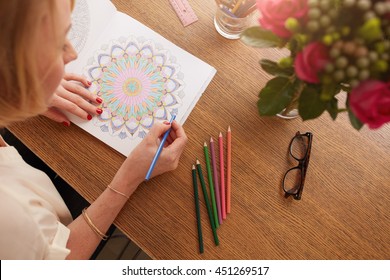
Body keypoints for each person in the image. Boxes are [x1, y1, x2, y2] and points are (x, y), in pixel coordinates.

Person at [0, 0, 187, 259]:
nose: (72, 54)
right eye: (57, 44)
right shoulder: (9, 214)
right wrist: (130, 176)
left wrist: (25, 90)